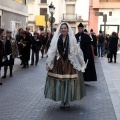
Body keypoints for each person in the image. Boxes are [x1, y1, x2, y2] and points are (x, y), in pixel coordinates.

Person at [44, 22, 86, 108]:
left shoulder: (72, 39)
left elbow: (77, 51)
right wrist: (49, 62)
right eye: (62, 28)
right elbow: (52, 51)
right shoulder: (56, 39)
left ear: (67, 29)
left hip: (69, 63)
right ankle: (62, 100)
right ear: (60, 29)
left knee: (68, 82)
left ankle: (67, 101)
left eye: (65, 28)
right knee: (60, 82)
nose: (63, 30)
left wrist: (81, 62)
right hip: (59, 63)